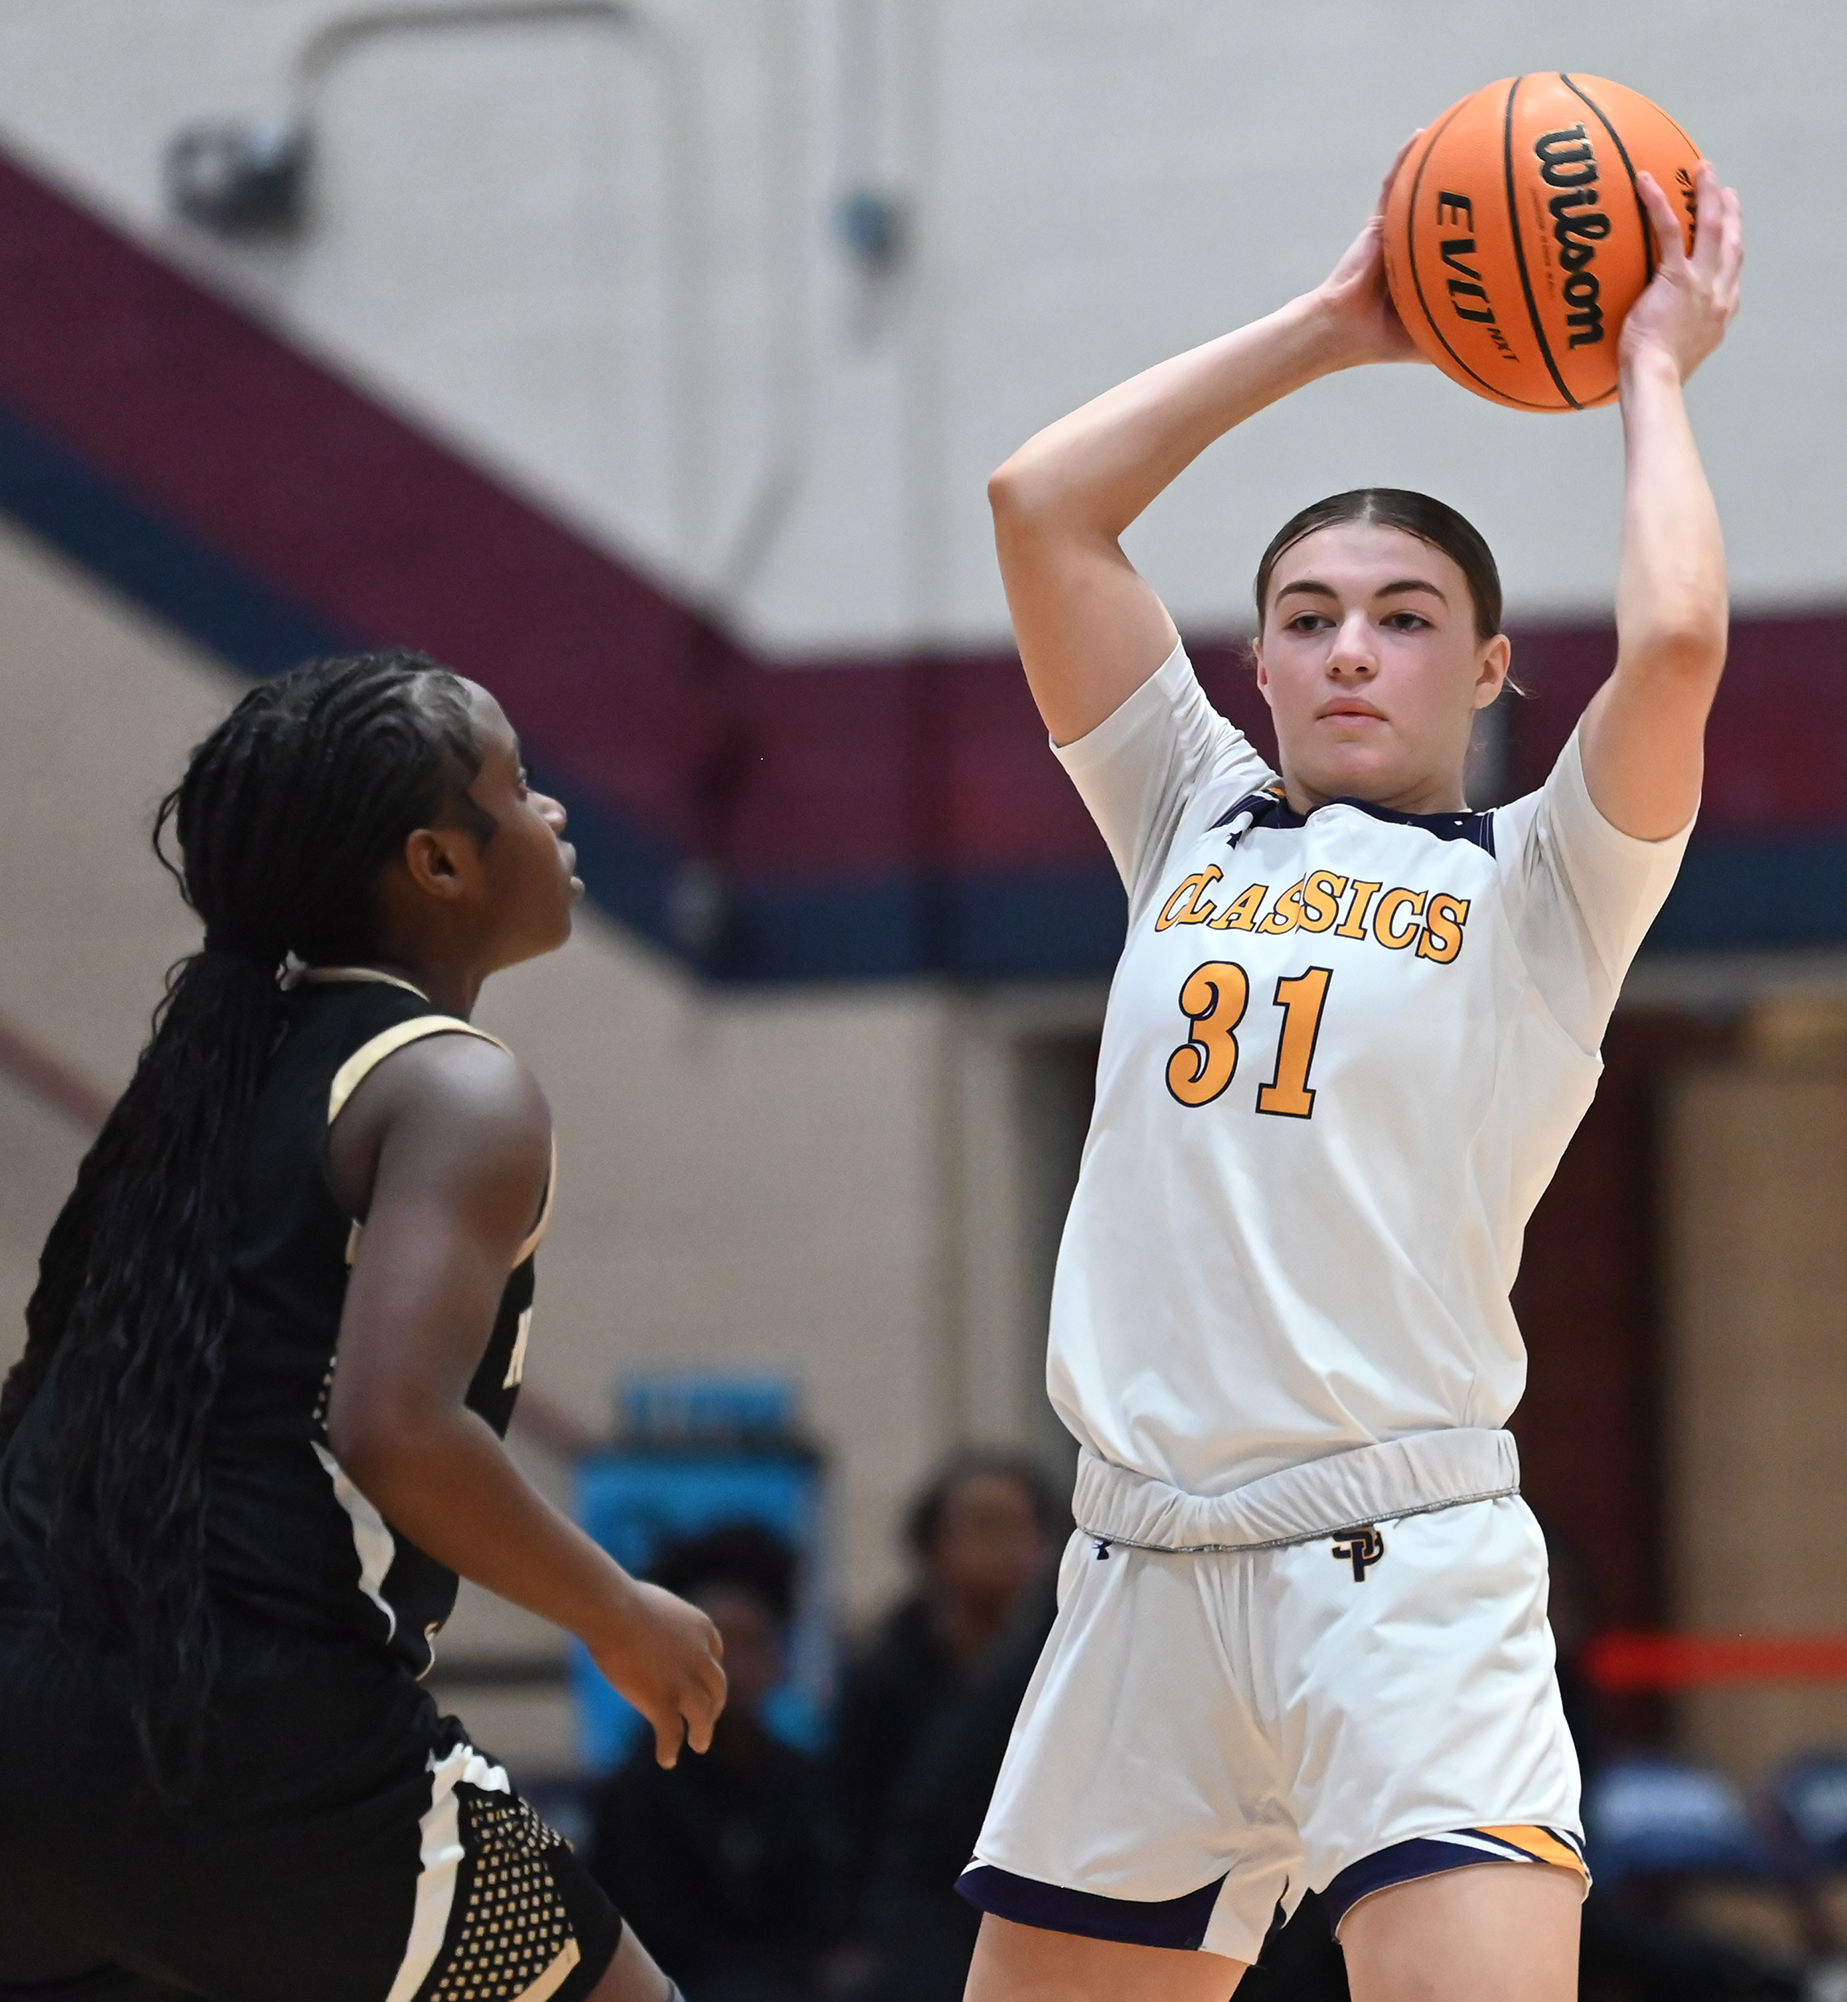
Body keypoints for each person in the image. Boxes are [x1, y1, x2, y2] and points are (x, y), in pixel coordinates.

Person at [958, 141, 1746, 2002]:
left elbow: (1678, 639)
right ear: (1256, 664)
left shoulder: (1545, 881)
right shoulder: (1187, 811)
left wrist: (1649, 371)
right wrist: (1336, 325)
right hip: (1138, 1564)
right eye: (1308, 617)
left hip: (1402, 1575)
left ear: (1489, 668)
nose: (1350, 651)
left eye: (1403, 617)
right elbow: (1041, 504)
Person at [0, 651, 728, 2002]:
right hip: (247, 1745)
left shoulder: (210, 1079)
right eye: (516, 784)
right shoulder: (452, 1087)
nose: (553, 809)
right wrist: (615, 1610)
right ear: (438, 863)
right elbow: (397, 1427)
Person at [834, 1454, 1061, 2002]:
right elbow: (853, 1830)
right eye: (983, 1525)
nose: (1006, 1545)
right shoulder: (882, 1676)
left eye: (1021, 1527)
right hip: (914, 1921)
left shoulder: (1065, 1669)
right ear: (931, 1546)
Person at [592, 1521, 843, 2002]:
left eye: (751, 1644)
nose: (733, 1670)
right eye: (717, 1649)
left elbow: (828, 1918)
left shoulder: (804, 1780)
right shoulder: (638, 1790)